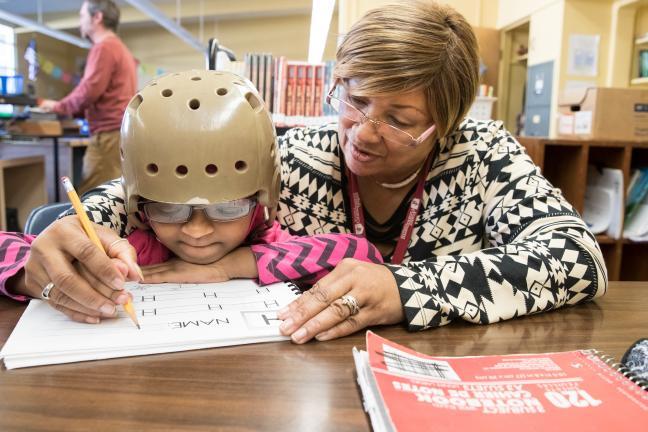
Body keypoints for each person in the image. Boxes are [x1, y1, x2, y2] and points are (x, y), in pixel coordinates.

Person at [11, 2, 607, 341]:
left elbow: (578, 259)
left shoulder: (481, 154)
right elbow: (138, 196)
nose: (365, 132)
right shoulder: (296, 150)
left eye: (401, 119)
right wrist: (60, 240)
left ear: (447, 124)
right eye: (355, 99)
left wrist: (407, 287)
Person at [0, 71, 381, 323]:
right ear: (141, 204)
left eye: (227, 206)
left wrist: (236, 265)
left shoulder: (270, 243)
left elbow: (361, 255)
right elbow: (13, 247)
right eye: (169, 208)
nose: (197, 231)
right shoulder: (135, 251)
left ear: (261, 199)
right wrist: (31, 274)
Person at [39, 0, 137, 194]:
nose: (79, 22)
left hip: (107, 137)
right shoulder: (121, 48)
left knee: (92, 198)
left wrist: (59, 106)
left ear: (97, 17)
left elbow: (88, 91)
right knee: (113, 196)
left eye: (82, 16)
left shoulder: (104, 48)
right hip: (119, 134)